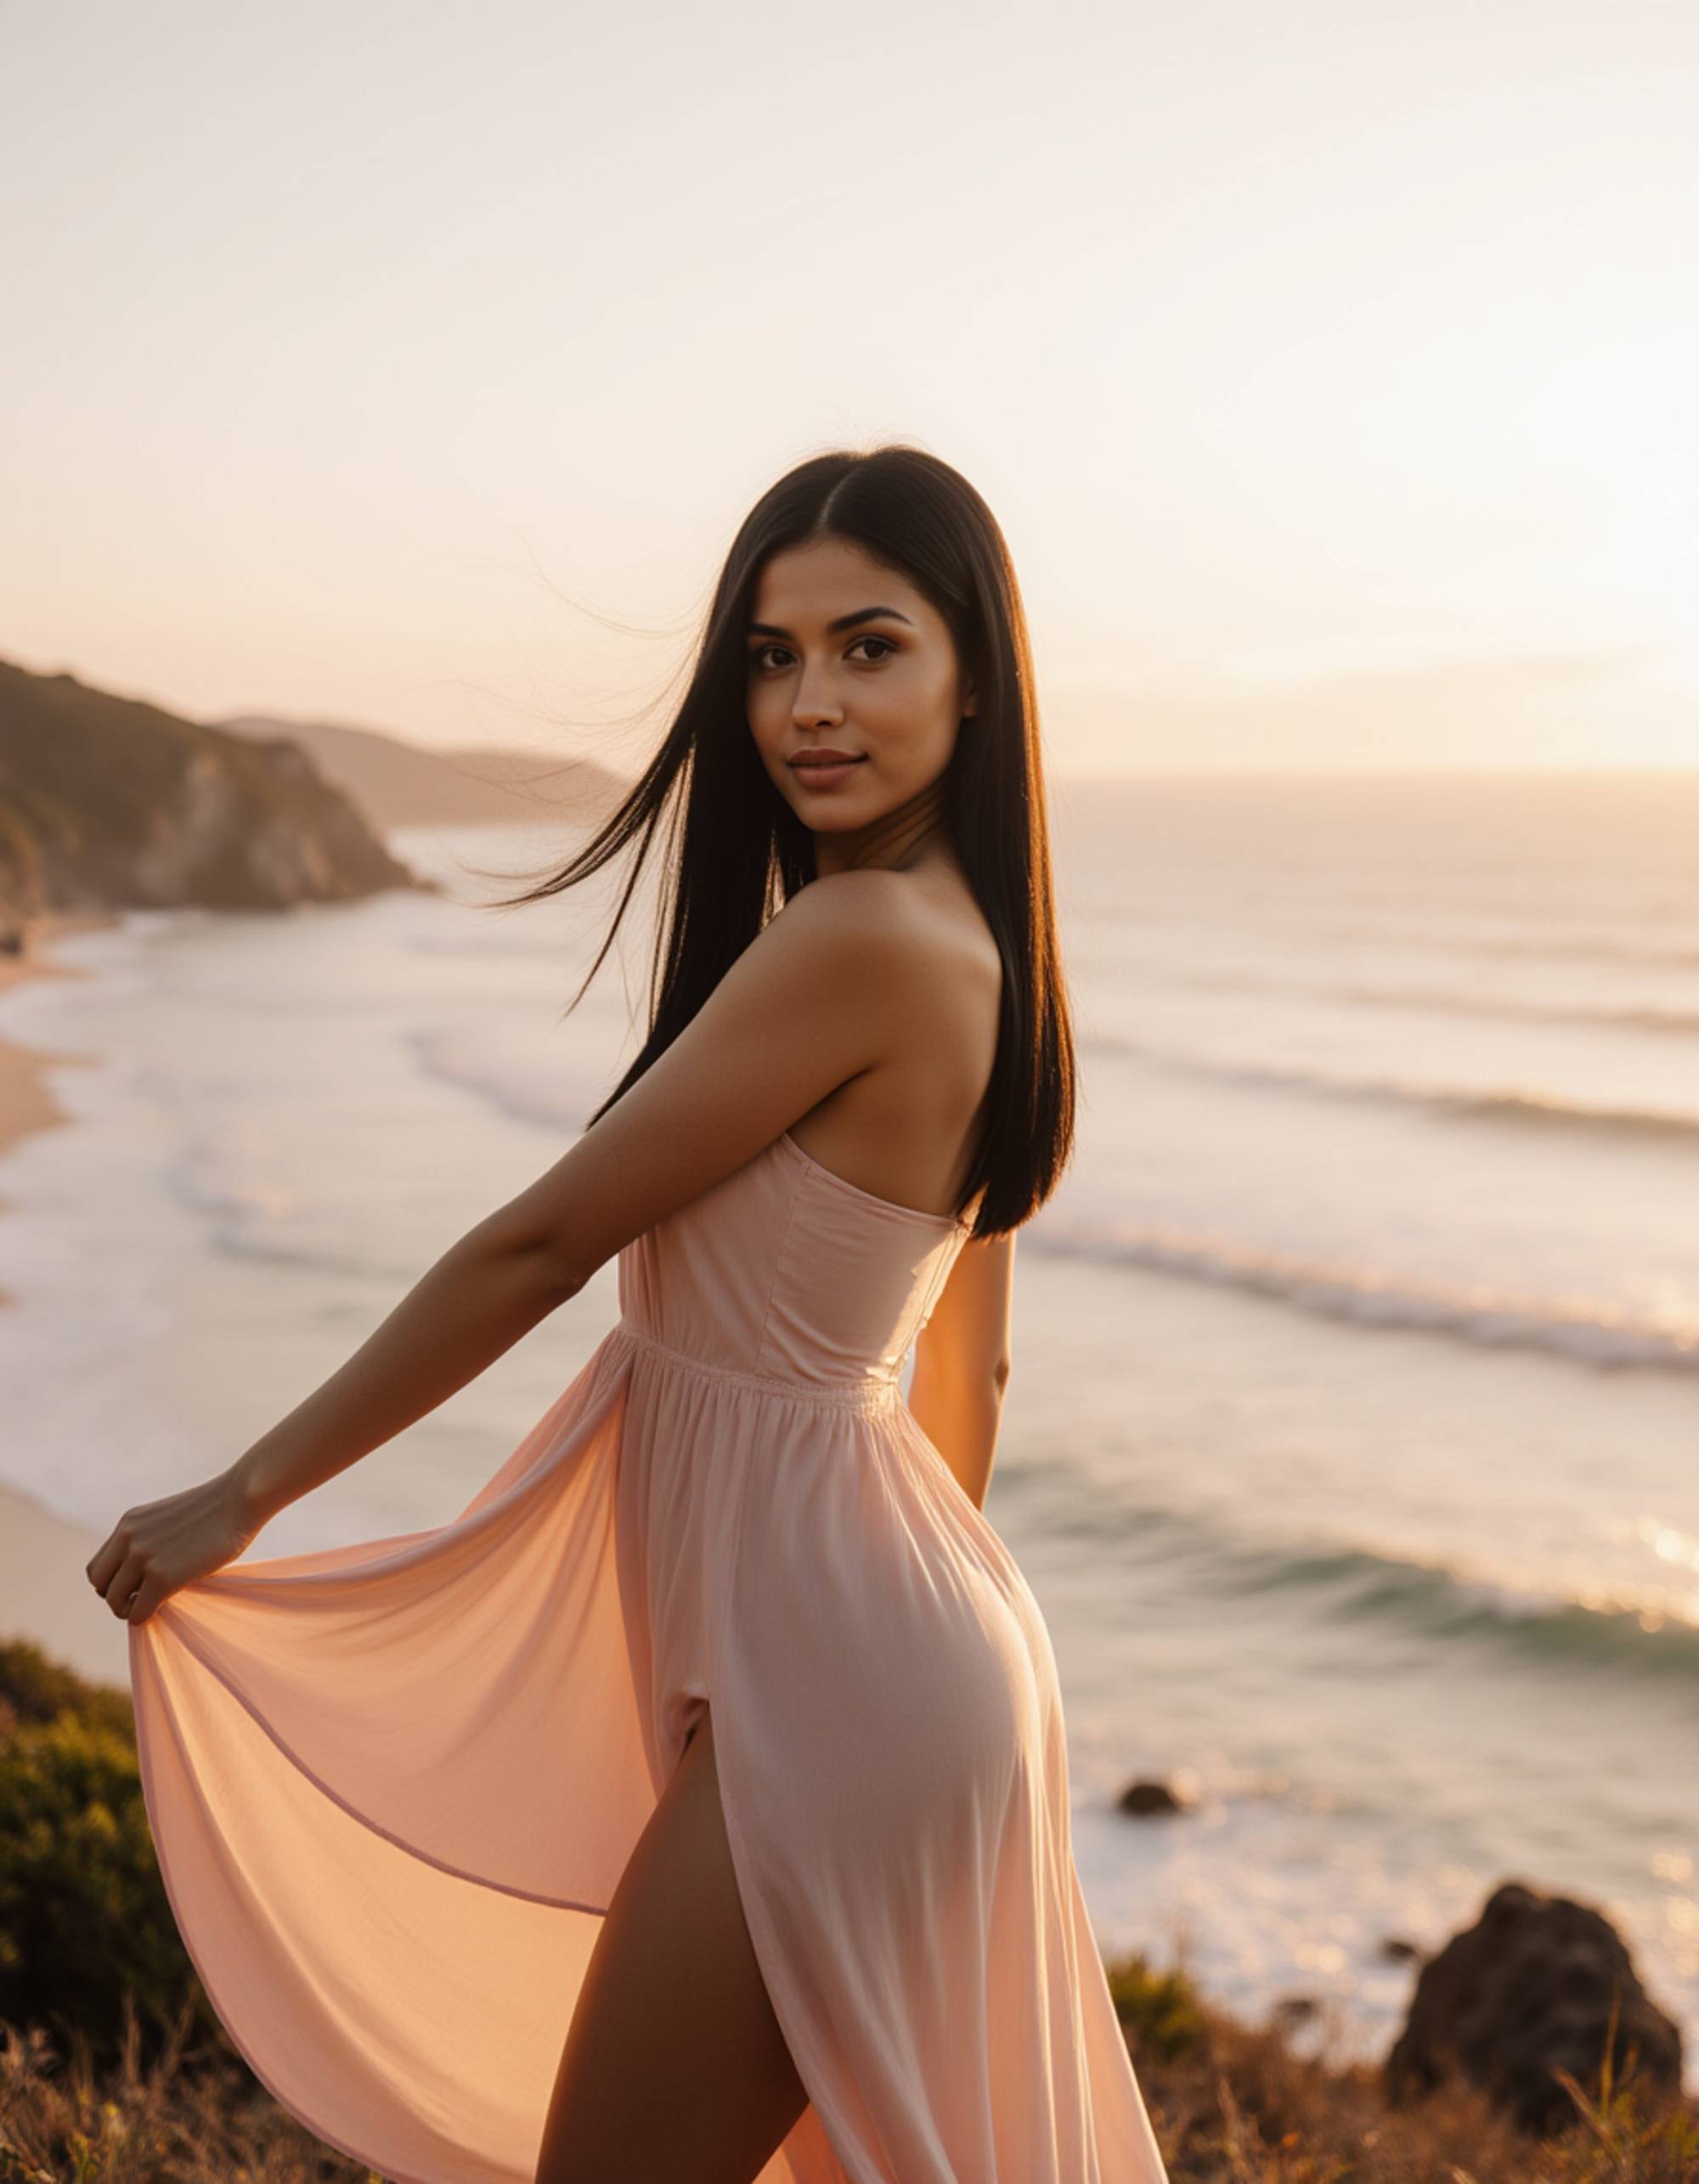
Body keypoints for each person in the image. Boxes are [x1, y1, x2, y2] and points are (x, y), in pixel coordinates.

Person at [87, 444, 1171, 2184]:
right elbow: (967, 1357)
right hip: (887, 1648)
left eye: (868, 646)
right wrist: (862, 1646)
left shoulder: (862, 943)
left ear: (977, 676)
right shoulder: (977, 947)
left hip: (833, 1670)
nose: (807, 702)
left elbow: (542, 1242)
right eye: (769, 654)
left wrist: (251, 1489)